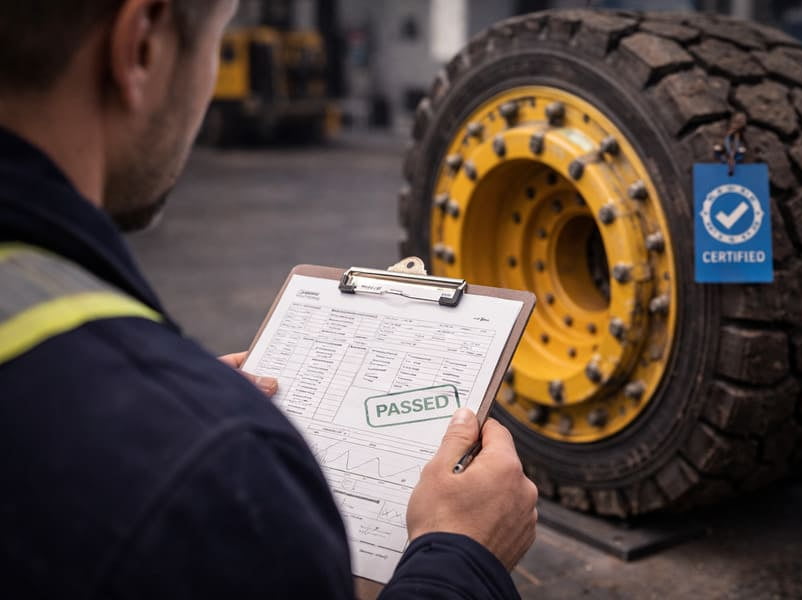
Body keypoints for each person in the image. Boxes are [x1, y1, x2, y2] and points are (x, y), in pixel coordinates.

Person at [0, 1, 538, 598]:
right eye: (213, 44)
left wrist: (140, 400)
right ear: (143, 45)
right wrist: (462, 556)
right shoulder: (214, 483)